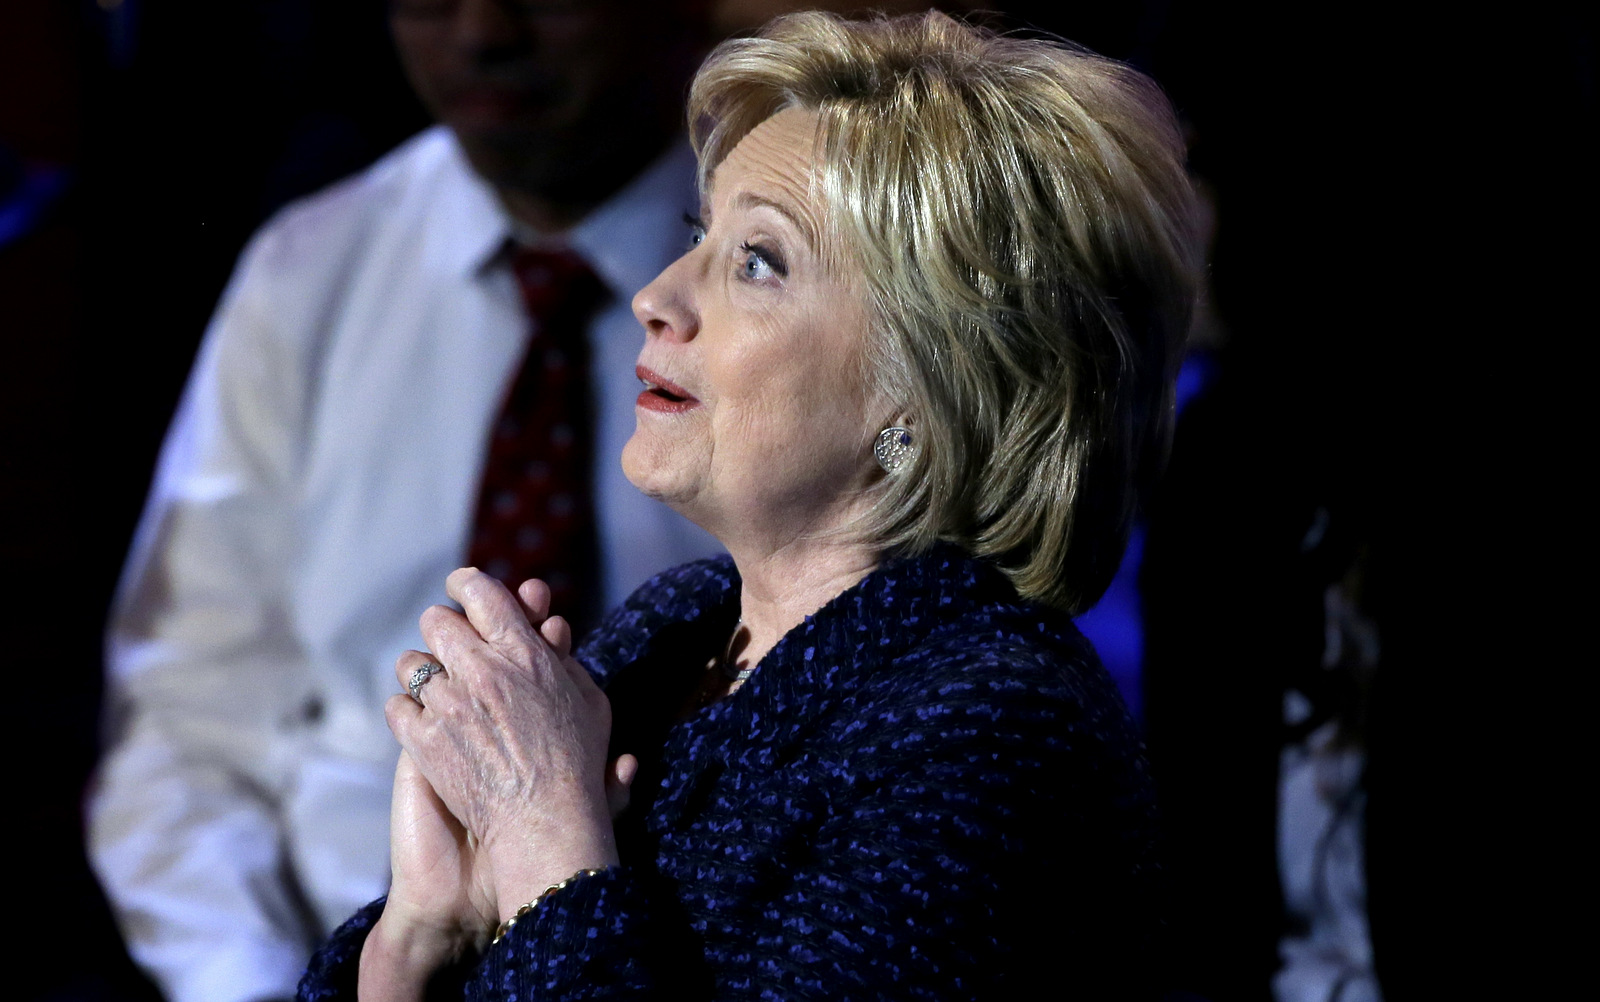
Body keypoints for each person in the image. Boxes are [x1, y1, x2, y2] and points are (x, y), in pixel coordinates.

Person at [299, 10, 1200, 1000]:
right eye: (701, 235)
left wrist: (541, 834)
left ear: (928, 386)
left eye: (757, 262)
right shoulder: (674, 630)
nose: (656, 295)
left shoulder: (993, 739)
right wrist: (414, 942)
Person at [87, 4, 720, 1002]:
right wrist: (247, 983)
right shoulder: (310, 268)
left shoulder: (802, 282)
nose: (481, 32)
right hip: (321, 945)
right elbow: (186, 712)